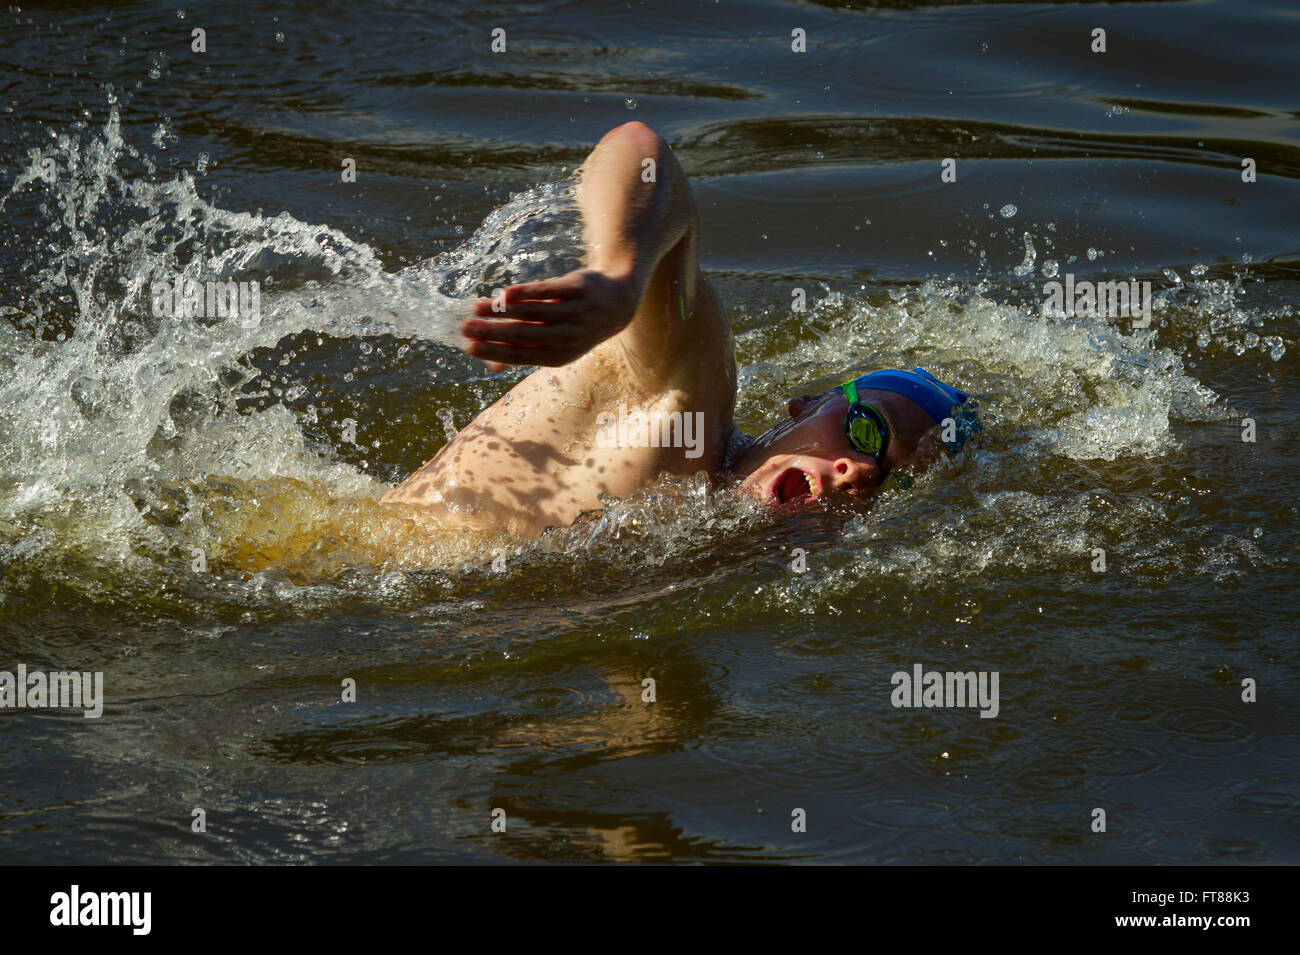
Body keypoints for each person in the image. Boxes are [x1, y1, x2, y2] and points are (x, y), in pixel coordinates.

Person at [380, 121, 975, 537]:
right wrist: (621, 278)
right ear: (805, 405)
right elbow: (640, 148)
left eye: (893, 483)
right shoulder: (682, 409)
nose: (863, 471)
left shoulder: (721, 551)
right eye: (868, 431)